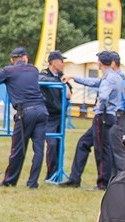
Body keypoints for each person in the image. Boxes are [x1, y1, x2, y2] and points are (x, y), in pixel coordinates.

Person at [0, 47, 49, 189]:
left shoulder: (9, 71)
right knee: (39, 149)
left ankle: (10, 180)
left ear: (12, 60)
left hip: (25, 112)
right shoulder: (34, 70)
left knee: (18, 148)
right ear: (26, 58)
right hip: (42, 110)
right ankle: (32, 183)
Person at [62, 51, 122, 189]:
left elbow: (104, 95)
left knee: (101, 150)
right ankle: (74, 179)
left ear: (100, 62)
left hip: (103, 117)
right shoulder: (112, 76)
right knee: (83, 143)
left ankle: (103, 183)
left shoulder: (109, 79)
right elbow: (93, 82)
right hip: (107, 116)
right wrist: (73, 77)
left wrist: (98, 107)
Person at [39, 50, 72, 182]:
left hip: (60, 115)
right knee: (51, 144)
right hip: (49, 115)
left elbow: (69, 93)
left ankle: (57, 173)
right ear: (53, 62)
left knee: (59, 145)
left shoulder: (61, 76)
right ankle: (51, 174)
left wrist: (64, 85)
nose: (63, 64)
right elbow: (41, 79)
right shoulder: (44, 74)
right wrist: (61, 84)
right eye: (60, 61)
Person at [109, 51, 125, 179]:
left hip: (121, 116)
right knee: (113, 149)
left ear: (113, 63)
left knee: (119, 150)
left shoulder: (123, 79)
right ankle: (114, 179)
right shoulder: (114, 78)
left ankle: (123, 178)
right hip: (116, 116)